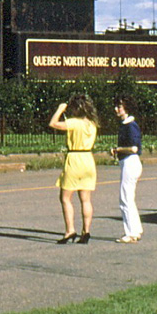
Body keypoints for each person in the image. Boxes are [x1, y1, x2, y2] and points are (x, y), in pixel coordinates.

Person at [49, 94, 98, 244]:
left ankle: (70, 230)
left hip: (75, 159)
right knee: (85, 199)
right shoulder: (92, 124)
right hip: (88, 160)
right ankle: (86, 231)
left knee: (65, 198)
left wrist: (59, 109)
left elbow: (53, 123)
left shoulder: (74, 123)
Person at [111, 95, 143, 243]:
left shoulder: (131, 125)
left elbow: (134, 148)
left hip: (131, 163)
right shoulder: (125, 124)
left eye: (119, 107)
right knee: (129, 198)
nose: (116, 109)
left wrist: (118, 149)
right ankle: (136, 230)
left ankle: (130, 233)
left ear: (126, 109)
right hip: (127, 163)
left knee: (125, 198)